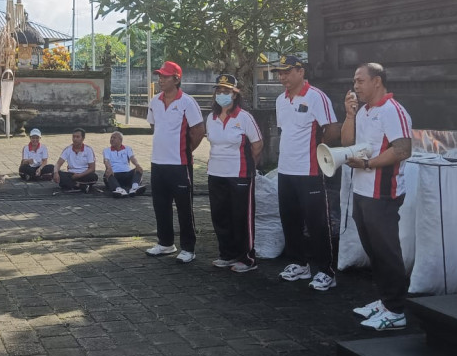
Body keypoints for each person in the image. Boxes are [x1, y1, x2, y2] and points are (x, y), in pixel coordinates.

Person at [342, 62, 413, 331]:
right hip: (361, 190)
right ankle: (385, 301)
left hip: (383, 192)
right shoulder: (364, 111)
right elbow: (347, 144)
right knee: (374, 250)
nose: (355, 86)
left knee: (386, 250)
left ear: (377, 81)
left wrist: (368, 164)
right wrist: (349, 116)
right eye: (354, 81)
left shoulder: (393, 110)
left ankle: (396, 310)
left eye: (360, 81)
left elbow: (403, 149)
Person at [272, 54, 341, 292]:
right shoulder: (281, 100)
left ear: (301, 72)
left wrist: (319, 151)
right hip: (286, 169)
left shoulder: (316, 96)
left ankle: (326, 271)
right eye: (280, 73)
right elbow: (284, 131)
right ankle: (300, 264)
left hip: (309, 170)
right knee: (289, 219)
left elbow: (332, 128)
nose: (283, 77)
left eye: (287, 72)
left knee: (317, 222)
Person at [145, 61, 205, 264]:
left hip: (180, 164)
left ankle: (188, 248)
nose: (160, 80)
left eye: (165, 76)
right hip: (157, 162)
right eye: (159, 76)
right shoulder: (155, 101)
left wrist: (185, 150)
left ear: (176, 79)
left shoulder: (187, 102)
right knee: (160, 205)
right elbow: (154, 126)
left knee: (184, 207)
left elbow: (198, 131)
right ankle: (165, 243)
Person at [206, 74, 264, 273]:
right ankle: (227, 254)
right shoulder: (211, 118)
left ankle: (247, 258)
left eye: (226, 91)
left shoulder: (244, 117)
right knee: (220, 215)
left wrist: (249, 167)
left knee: (241, 217)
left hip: (239, 174)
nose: (222, 94)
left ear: (235, 94)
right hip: (215, 173)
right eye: (219, 90)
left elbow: (257, 145)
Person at [102, 131, 145, 198]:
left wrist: (137, 165)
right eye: (111, 138)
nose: (112, 139)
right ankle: (119, 190)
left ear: (120, 140)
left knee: (138, 169)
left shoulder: (127, 148)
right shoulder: (106, 150)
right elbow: (106, 160)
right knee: (107, 173)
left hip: (126, 173)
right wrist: (109, 168)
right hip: (115, 174)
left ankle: (134, 188)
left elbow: (132, 158)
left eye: (114, 138)